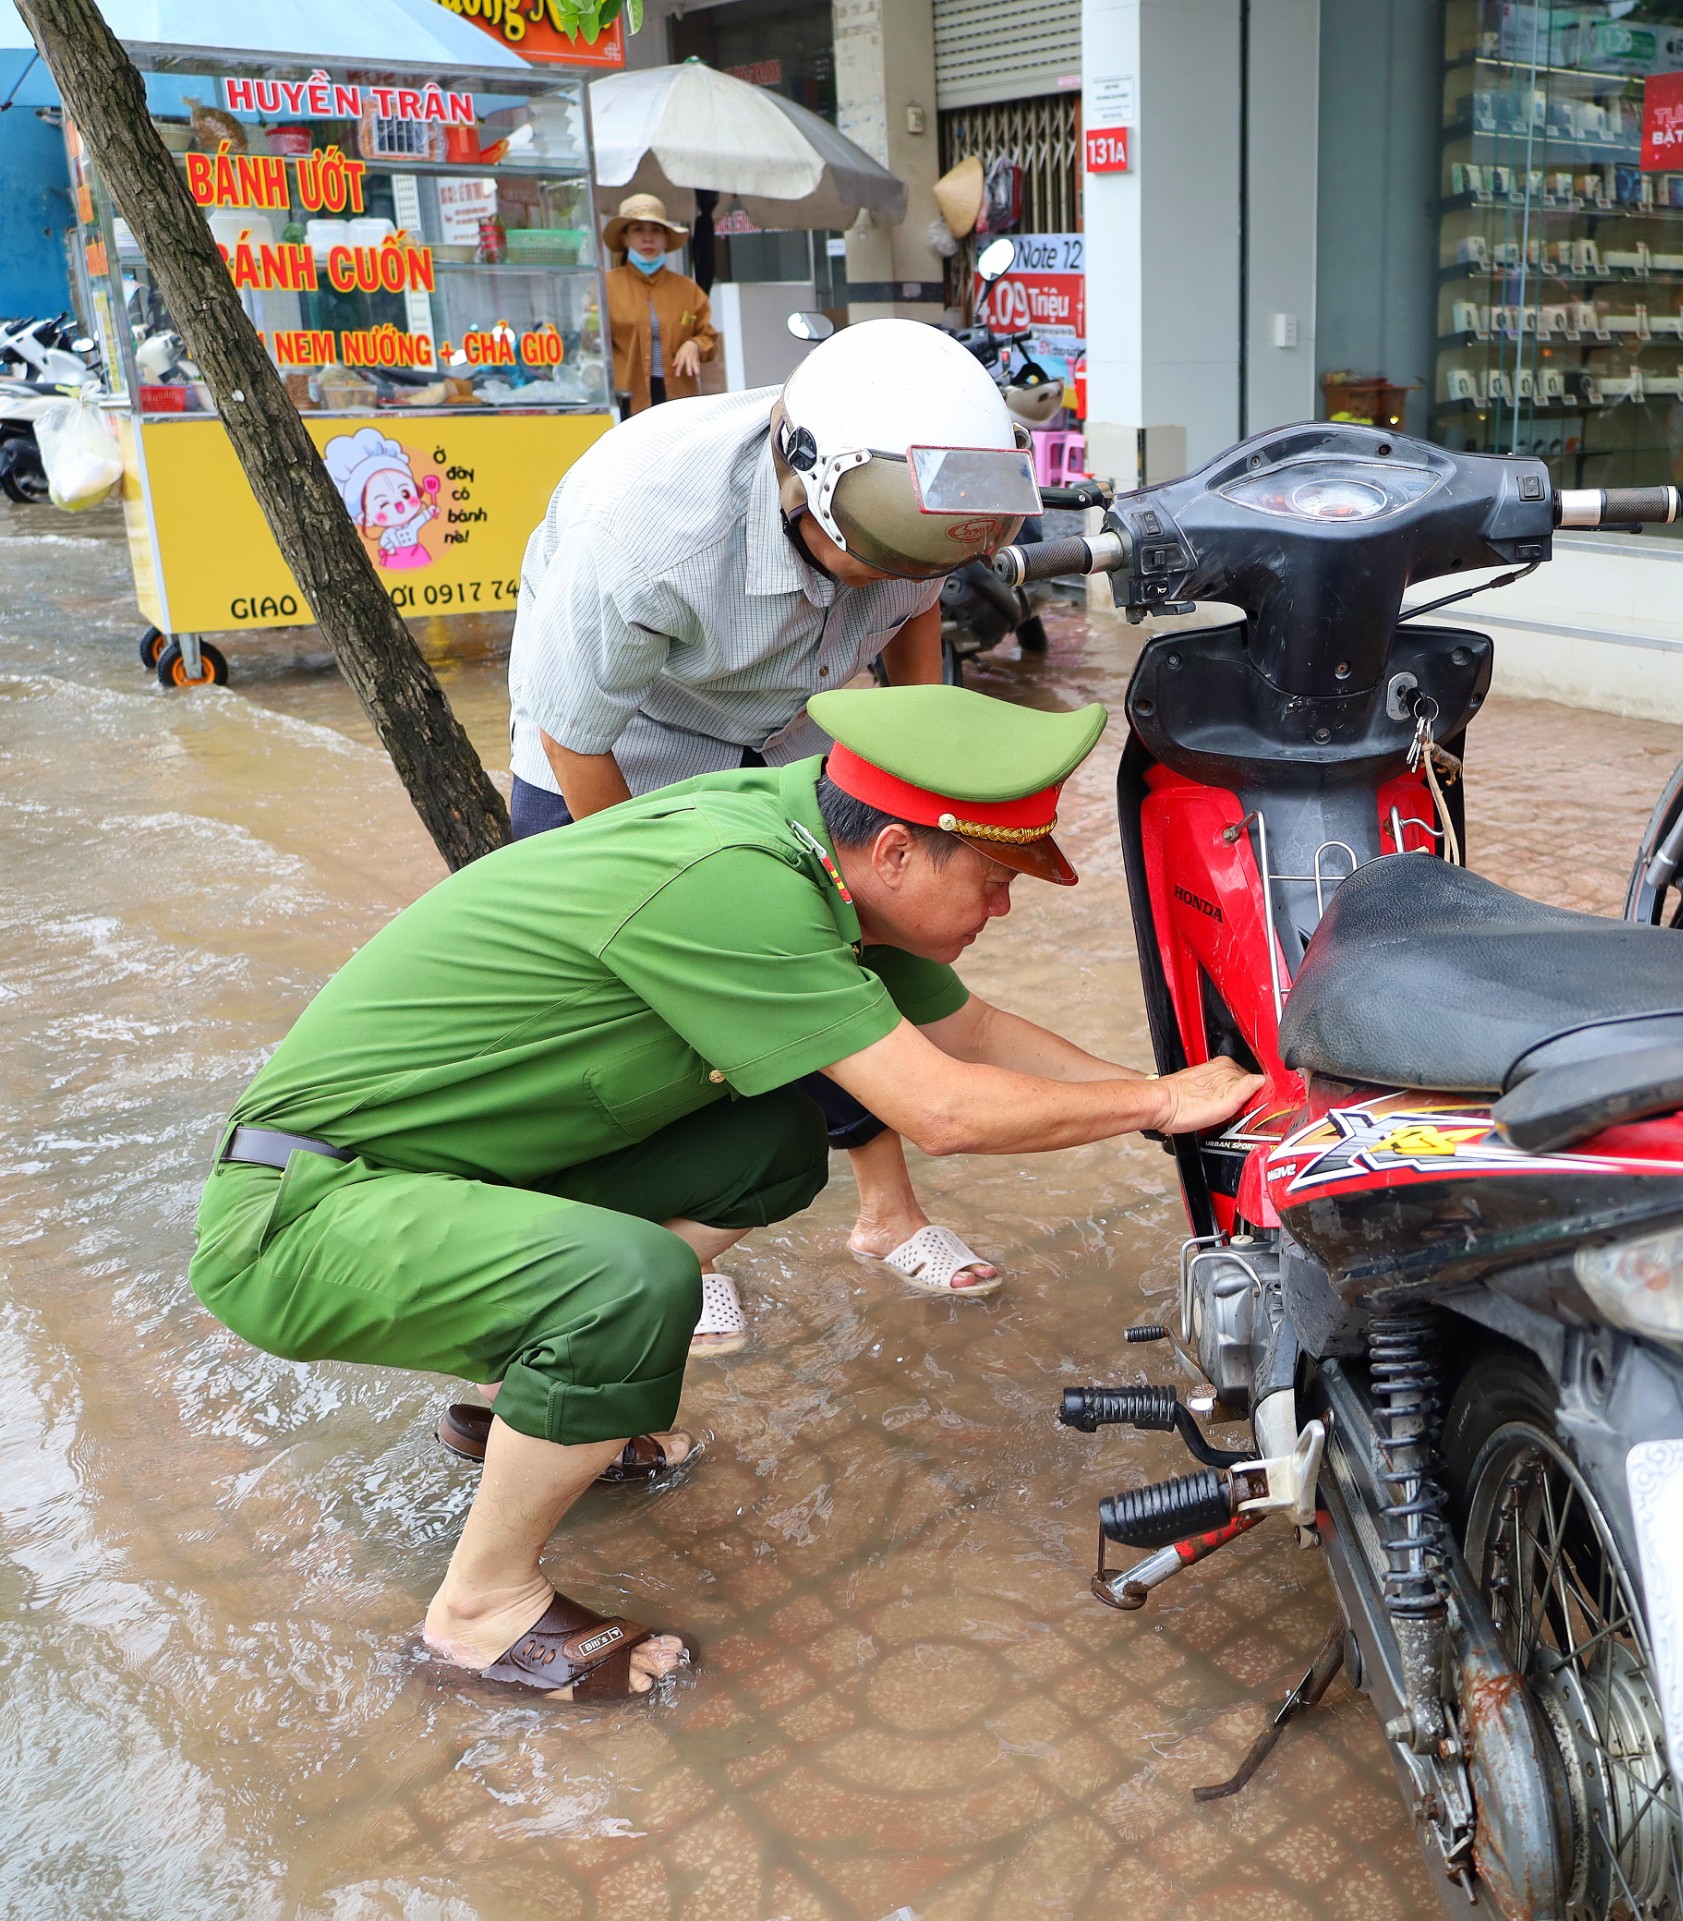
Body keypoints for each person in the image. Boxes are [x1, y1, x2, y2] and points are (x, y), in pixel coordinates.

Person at [187, 685, 1266, 1703]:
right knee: (628, 1283)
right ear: (894, 849)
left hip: (439, 1175)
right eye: (995, 880)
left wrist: (1181, 1096)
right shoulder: (739, 883)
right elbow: (943, 1109)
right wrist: (1153, 1103)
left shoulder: (810, 840)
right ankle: (480, 1611)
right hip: (305, 1214)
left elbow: (968, 1029)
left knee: (768, 1144)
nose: (1005, 905)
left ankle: (537, 1404)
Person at [508, 317, 1019, 1306]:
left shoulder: (917, 495)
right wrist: (665, 905)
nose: (891, 586)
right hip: (622, 737)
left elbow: (913, 618)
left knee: (843, 958)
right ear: (802, 486)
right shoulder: (647, 529)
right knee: (650, 1014)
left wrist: (908, 764)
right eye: (867, 564)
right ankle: (662, 1246)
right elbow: (575, 731)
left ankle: (888, 1213)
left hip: (786, 723)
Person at [602, 192, 717, 416]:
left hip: (678, 397)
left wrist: (694, 344)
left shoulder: (687, 289)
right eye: (638, 230)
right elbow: (592, 342)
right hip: (627, 398)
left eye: (655, 230)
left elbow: (709, 338)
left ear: (665, 238)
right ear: (625, 239)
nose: (648, 238)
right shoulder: (606, 285)